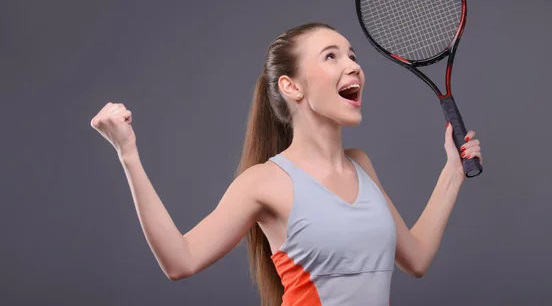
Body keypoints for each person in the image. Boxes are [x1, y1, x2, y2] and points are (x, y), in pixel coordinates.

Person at [90, 22, 483, 306]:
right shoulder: (264, 183)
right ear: (291, 86)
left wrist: (452, 173)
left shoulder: (361, 165)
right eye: (331, 56)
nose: (353, 65)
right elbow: (180, 260)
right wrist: (129, 155)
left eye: (352, 55)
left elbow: (415, 259)